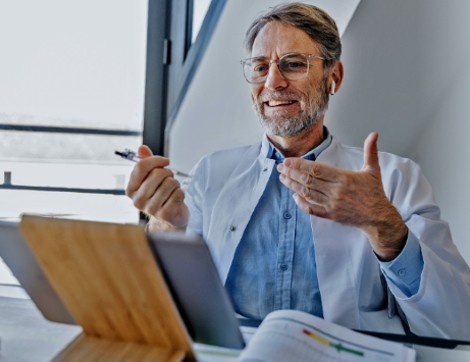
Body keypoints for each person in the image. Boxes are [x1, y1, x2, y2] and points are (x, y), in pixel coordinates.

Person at [126, 2, 470, 339]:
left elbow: (458, 320)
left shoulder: (396, 179)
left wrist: (384, 224)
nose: (273, 82)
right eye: (261, 67)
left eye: (292, 64)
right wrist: (165, 223)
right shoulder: (211, 173)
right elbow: (165, 303)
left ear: (332, 77)